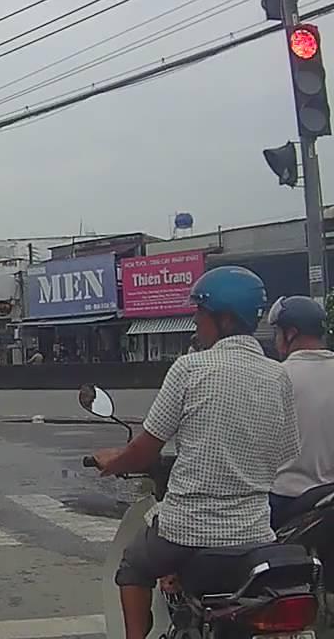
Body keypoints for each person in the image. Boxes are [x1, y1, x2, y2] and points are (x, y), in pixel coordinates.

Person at [89, 266, 298, 639]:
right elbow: (286, 452)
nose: (195, 321)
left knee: (133, 566)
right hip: (254, 532)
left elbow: (145, 450)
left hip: (187, 529)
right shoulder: (278, 375)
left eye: (200, 312)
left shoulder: (189, 368)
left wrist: (114, 461)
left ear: (224, 319)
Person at [266, 295, 334, 528]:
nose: (276, 341)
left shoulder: (276, 377)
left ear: (291, 333)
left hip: (285, 501)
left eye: (277, 333)